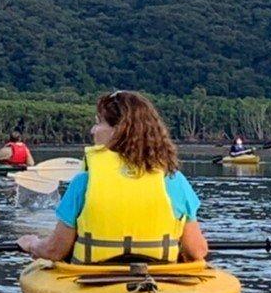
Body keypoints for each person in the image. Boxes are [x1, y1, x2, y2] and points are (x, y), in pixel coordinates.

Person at [19, 91, 207, 263]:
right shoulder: (174, 180)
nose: (93, 130)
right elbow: (196, 251)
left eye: (99, 122)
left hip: (93, 279)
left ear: (120, 130)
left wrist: (32, 244)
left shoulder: (84, 182)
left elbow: (55, 250)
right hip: (159, 278)